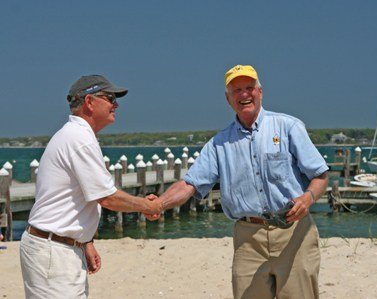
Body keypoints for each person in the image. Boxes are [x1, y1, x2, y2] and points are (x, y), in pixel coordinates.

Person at [155, 65, 328, 299]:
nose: (244, 95)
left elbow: (319, 176)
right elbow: (190, 184)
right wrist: (158, 204)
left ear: (260, 92)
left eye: (249, 88)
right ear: (228, 99)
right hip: (248, 239)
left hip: (294, 233)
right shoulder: (219, 143)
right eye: (236, 90)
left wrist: (307, 198)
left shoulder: (289, 127)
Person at [20, 75, 163, 298]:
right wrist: (147, 205)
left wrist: (85, 241)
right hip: (54, 251)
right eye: (110, 98)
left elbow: (73, 198)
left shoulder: (76, 135)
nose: (116, 104)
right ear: (89, 101)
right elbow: (107, 198)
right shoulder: (80, 139)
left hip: (58, 247)